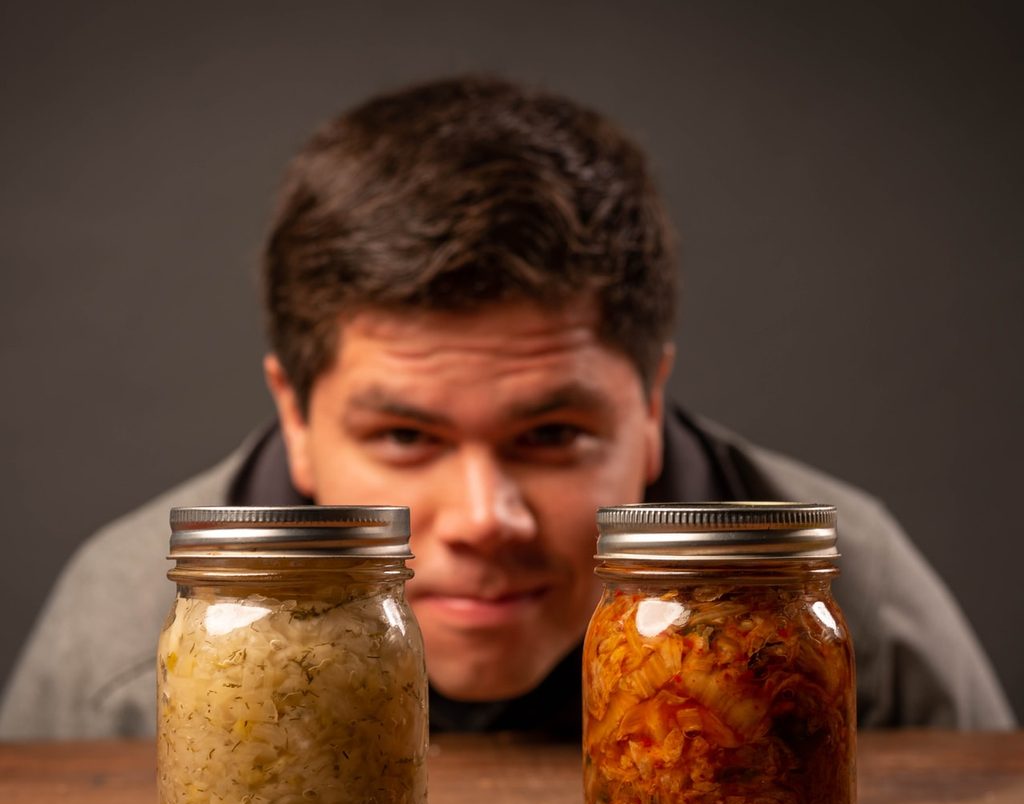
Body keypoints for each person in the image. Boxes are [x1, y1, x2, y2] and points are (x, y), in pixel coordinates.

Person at [0, 74, 1014, 739]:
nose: (485, 517)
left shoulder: (850, 607)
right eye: (404, 436)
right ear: (295, 418)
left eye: (552, 436)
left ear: (650, 402)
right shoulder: (122, 647)